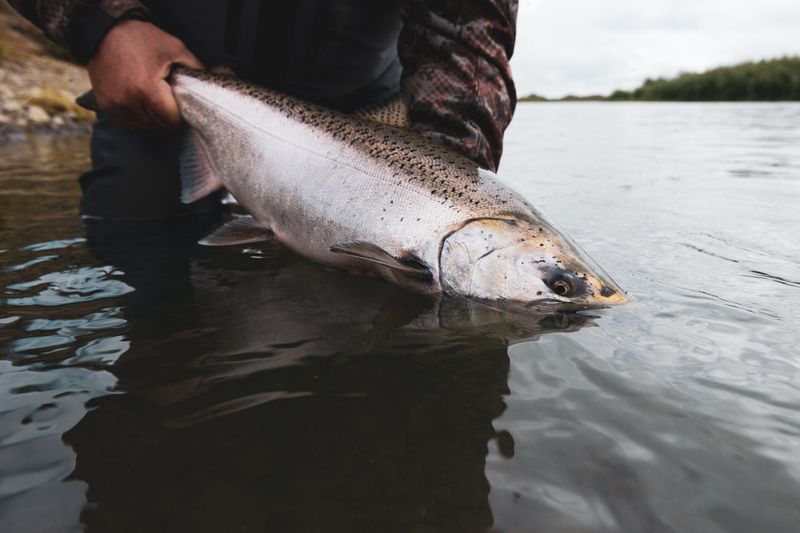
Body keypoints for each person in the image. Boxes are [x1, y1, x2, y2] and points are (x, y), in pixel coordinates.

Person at [8, 0, 518, 225]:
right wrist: (100, 24)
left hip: (363, 110)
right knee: (137, 242)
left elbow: (463, 34)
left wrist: (437, 199)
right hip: (167, 76)